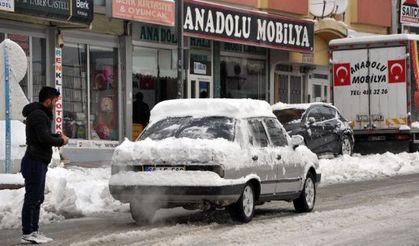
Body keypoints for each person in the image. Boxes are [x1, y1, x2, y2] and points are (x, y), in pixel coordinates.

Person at [20, 87, 69, 244]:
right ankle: (27, 233)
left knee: (37, 198)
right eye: (55, 101)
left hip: (38, 160)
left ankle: (33, 231)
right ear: (47, 100)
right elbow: (43, 139)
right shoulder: (39, 115)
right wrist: (61, 141)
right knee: (32, 198)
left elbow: (43, 136)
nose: (55, 104)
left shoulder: (41, 115)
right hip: (34, 161)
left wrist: (56, 137)